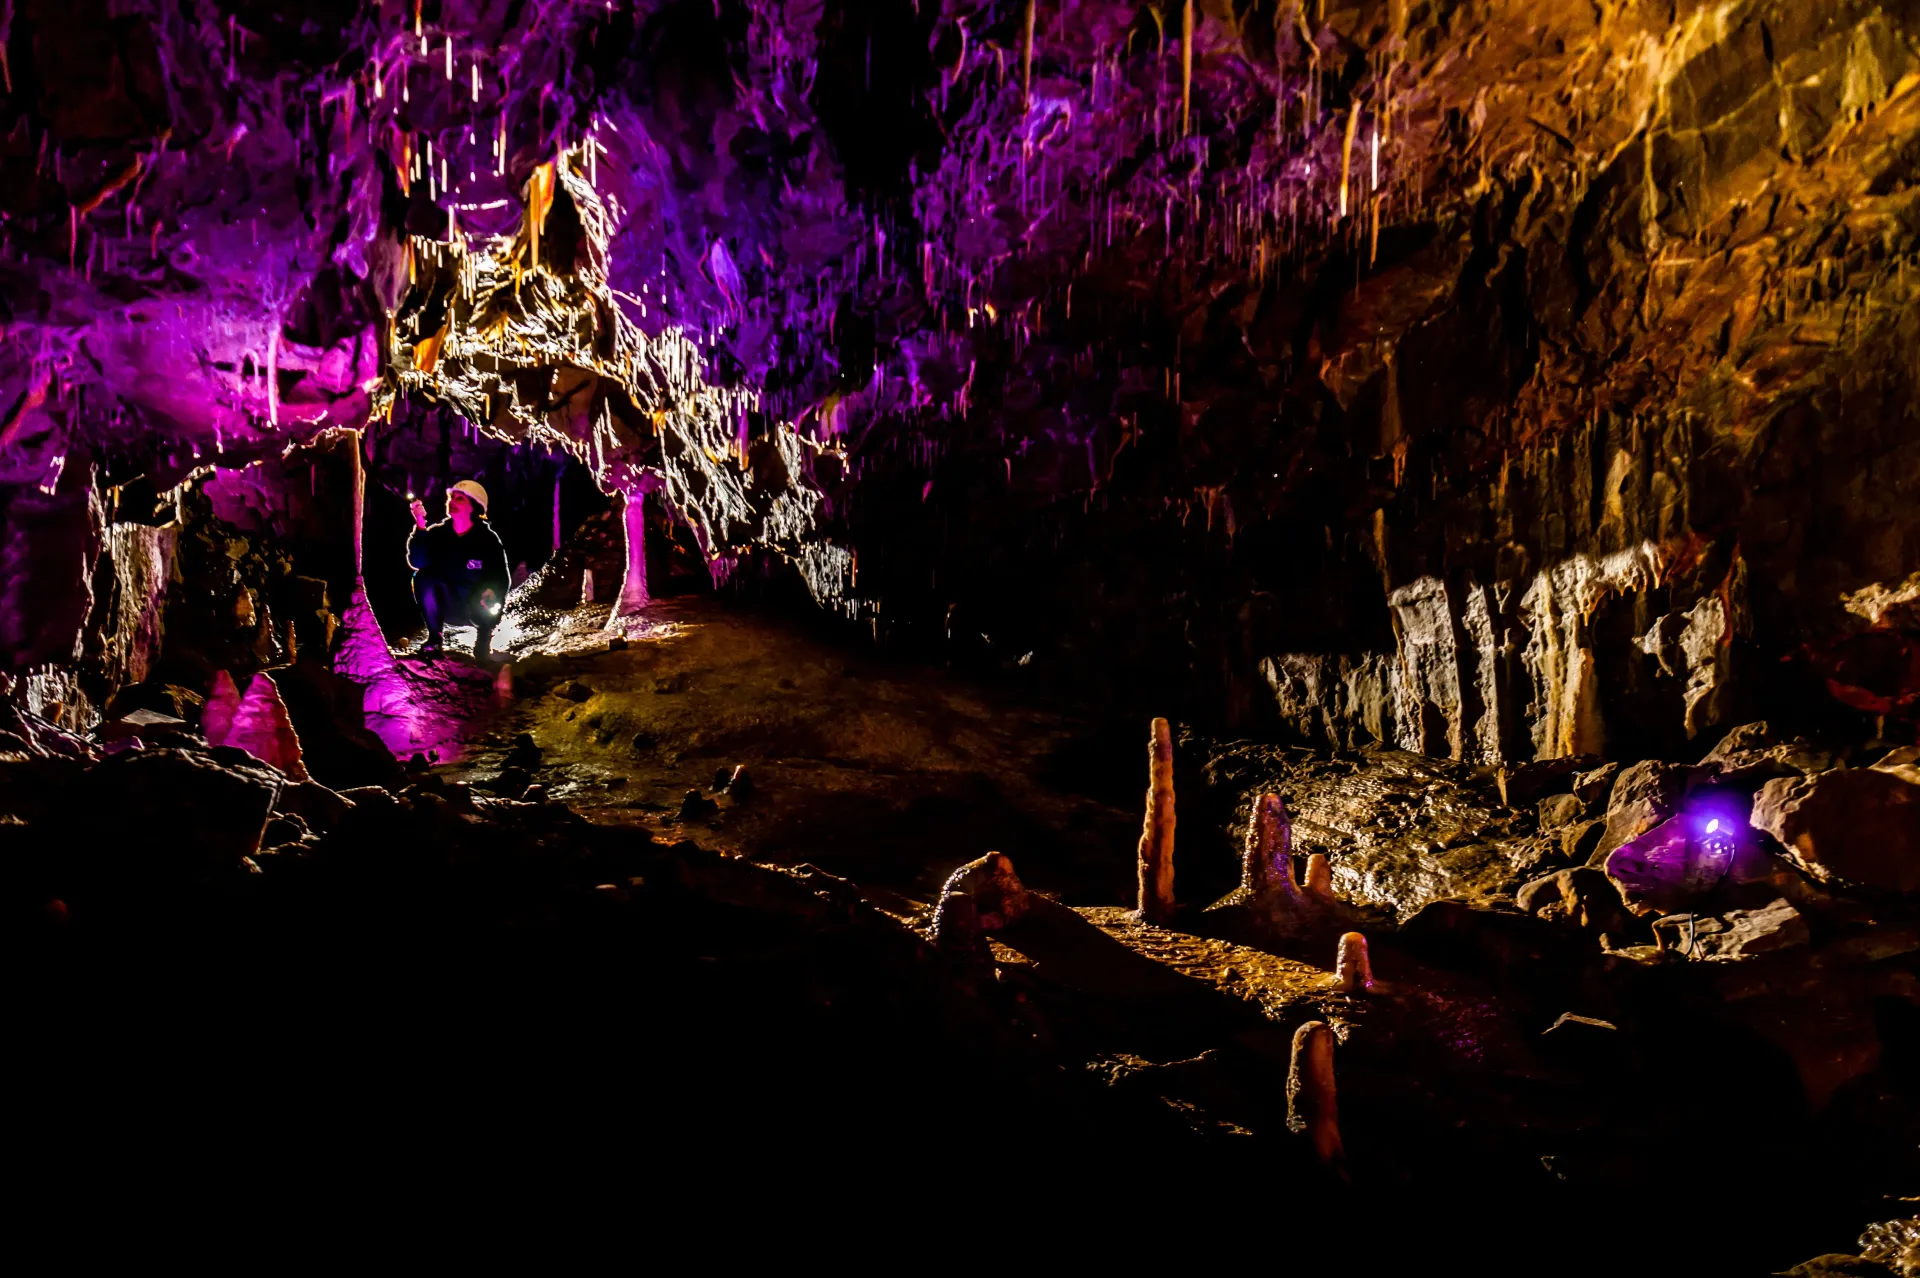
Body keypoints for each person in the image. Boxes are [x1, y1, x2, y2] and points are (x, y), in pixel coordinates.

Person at [407, 480, 510, 660]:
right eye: (452, 498)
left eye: (460, 499)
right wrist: (421, 526)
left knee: (491, 599)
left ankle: (483, 643)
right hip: (448, 604)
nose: (452, 502)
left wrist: (491, 590)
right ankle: (434, 639)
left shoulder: (487, 540)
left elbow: (501, 576)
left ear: (474, 507)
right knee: (422, 577)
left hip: (476, 607)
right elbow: (418, 561)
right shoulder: (439, 534)